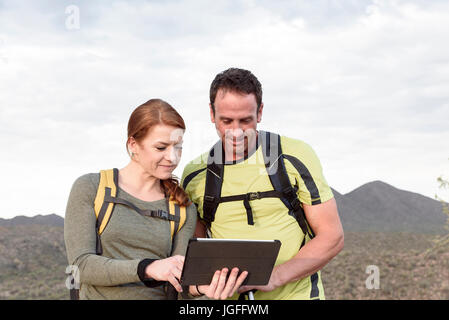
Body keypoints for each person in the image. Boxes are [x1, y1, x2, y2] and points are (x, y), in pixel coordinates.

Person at [181, 68, 344, 300]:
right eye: (226, 121)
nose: (236, 132)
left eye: (245, 120)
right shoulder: (195, 175)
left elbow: (332, 236)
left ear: (260, 112)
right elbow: (198, 255)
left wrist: (275, 276)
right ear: (211, 113)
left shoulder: (295, 155)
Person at [64, 98, 246, 300]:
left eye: (178, 147)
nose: (173, 157)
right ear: (133, 144)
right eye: (161, 148)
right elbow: (80, 265)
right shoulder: (91, 188)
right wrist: (148, 268)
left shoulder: (182, 208)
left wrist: (202, 290)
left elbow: (180, 284)